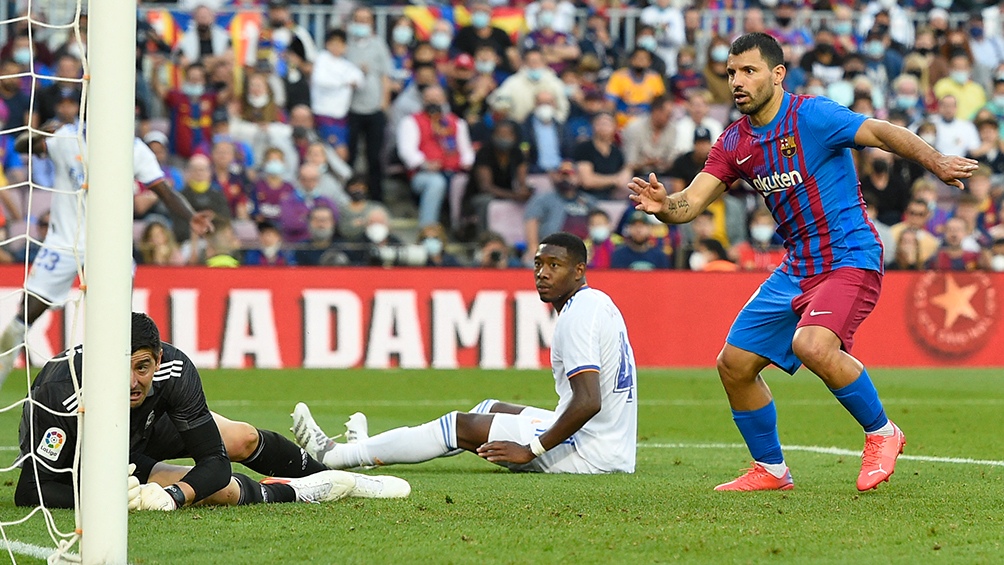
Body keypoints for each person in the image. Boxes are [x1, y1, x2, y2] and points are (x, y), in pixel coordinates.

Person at [628, 33, 979, 492]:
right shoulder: (734, 142)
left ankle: (883, 433)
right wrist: (664, 205)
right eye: (732, 72)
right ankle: (771, 469)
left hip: (850, 255)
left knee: (812, 345)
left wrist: (935, 162)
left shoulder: (812, 115)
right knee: (733, 364)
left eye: (748, 71)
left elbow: (879, 131)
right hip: (798, 267)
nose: (737, 81)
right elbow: (691, 202)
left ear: (776, 75)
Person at [292, 232, 637, 475]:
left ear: (579, 270)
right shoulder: (596, 302)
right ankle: (374, 452)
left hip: (592, 454)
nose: (543, 274)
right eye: (538, 264)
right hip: (608, 443)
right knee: (488, 409)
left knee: (459, 425)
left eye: (555, 266)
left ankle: (337, 456)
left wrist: (530, 451)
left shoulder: (577, 316)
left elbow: (588, 401)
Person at [15, 312, 408, 509]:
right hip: (87, 456)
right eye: (120, 368)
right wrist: (109, 497)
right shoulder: (60, 389)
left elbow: (214, 461)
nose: (133, 381)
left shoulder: (174, 368)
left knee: (242, 438)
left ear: (157, 358)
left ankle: (338, 478)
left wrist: (172, 497)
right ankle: (296, 493)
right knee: (217, 494)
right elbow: (30, 490)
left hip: (145, 429)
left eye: (142, 367)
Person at [0, 122, 215, 388]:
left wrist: (191, 216)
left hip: (110, 245)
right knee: (25, 313)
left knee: (118, 320)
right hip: (64, 242)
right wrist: (41, 131)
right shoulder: (67, 137)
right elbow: (24, 147)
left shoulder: (134, 149)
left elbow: (164, 191)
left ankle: (120, 383)